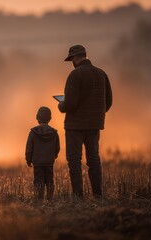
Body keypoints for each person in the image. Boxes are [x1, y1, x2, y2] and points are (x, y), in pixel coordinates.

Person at [58, 45, 113, 198]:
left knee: (74, 160)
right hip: (94, 125)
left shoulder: (75, 75)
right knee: (93, 159)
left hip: (75, 126)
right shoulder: (102, 74)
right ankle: (98, 194)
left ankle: (78, 195)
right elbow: (108, 101)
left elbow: (70, 103)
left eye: (71, 60)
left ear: (76, 58)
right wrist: (96, 115)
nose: (72, 63)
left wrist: (61, 106)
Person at [25, 106, 60, 200]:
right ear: (50, 118)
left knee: (38, 181)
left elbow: (29, 148)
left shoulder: (33, 132)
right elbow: (57, 148)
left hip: (37, 162)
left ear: (37, 117)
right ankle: (50, 199)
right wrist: (53, 157)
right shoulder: (54, 133)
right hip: (49, 162)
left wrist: (29, 159)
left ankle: (39, 199)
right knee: (49, 180)